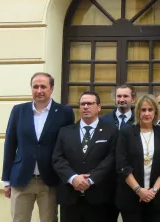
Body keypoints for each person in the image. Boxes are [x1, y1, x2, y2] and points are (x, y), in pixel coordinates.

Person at [1, 72, 75, 222]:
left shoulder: (64, 112)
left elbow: (68, 146)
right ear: (31, 89)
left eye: (43, 86)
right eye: (35, 87)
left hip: (50, 180)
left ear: (51, 89)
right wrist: (6, 180)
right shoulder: (19, 111)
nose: (39, 90)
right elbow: (10, 145)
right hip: (21, 179)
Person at [52, 91, 118, 222]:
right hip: (70, 197)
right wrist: (73, 178)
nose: (86, 107)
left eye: (90, 103)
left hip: (99, 197)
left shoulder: (111, 131)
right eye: (82, 104)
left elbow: (111, 159)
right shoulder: (65, 131)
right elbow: (57, 158)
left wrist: (91, 179)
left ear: (98, 107)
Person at [115, 94, 160, 222]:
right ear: (137, 112)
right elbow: (122, 164)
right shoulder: (126, 132)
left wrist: (153, 191)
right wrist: (139, 190)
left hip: (157, 197)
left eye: (150, 110)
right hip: (131, 197)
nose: (147, 113)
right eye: (143, 110)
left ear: (155, 112)